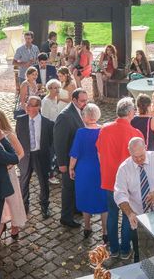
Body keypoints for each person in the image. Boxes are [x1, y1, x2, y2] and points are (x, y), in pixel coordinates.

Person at [96, 98, 144, 259]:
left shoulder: (104, 129)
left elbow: (99, 152)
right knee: (127, 216)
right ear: (130, 113)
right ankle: (124, 250)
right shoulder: (136, 134)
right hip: (128, 182)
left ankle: (114, 249)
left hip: (109, 180)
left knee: (112, 214)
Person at [115, 137, 154, 261]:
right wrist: (129, 213)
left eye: (141, 156)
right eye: (134, 157)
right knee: (140, 252)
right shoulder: (124, 168)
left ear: (146, 148)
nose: (138, 160)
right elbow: (119, 194)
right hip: (139, 217)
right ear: (129, 152)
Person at [69, 103, 108, 241]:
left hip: (84, 169)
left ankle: (87, 227)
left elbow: (75, 154)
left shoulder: (81, 132)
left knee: (85, 196)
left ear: (84, 116)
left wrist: (71, 168)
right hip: (101, 169)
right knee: (103, 199)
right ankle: (105, 230)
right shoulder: (104, 130)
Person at [54, 89, 87, 228]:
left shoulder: (79, 110)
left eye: (86, 100)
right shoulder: (65, 116)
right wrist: (62, 163)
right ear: (74, 100)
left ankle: (75, 209)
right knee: (68, 188)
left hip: (77, 159)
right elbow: (59, 141)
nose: (85, 103)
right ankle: (66, 217)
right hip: (67, 160)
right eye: (82, 101)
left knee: (74, 186)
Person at [15, 96, 53, 219]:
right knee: (23, 183)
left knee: (44, 183)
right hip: (25, 157)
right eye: (27, 104)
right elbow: (18, 139)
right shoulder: (20, 120)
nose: (28, 106)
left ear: (38, 107)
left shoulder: (47, 123)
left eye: (31, 105)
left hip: (40, 156)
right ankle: (24, 208)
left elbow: (51, 143)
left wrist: (50, 157)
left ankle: (45, 207)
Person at [0, 109, 26, 240]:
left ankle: (15, 225)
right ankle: (1, 223)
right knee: (0, 201)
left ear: (1, 121)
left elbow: (20, 152)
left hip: (9, 172)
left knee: (12, 199)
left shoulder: (9, 135)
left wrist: (11, 165)